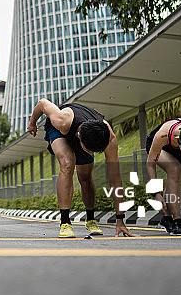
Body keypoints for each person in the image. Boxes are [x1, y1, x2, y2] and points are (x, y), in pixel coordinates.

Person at [28, 98, 136, 238]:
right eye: (90, 150)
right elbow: (42, 103)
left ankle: (91, 220)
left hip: (85, 129)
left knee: (85, 176)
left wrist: (120, 220)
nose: (91, 154)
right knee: (68, 163)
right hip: (60, 130)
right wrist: (32, 123)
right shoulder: (61, 119)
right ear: (79, 137)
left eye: (94, 152)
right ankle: (65, 222)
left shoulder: (109, 138)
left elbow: (115, 180)